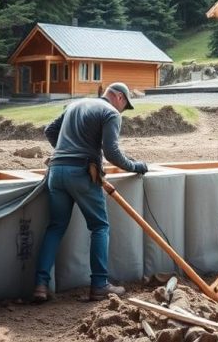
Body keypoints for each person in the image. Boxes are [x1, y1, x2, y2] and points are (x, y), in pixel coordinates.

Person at [33, 82, 150, 303]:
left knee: (55, 227)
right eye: (124, 105)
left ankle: (40, 285)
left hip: (56, 172)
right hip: (82, 172)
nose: (122, 111)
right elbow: (112, 152)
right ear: (118, 97)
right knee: (99, 226)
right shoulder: (110, 113)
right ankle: (99, 285)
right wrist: (136, 166)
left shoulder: (75, 105)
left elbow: (49, 130)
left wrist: (66, 152)